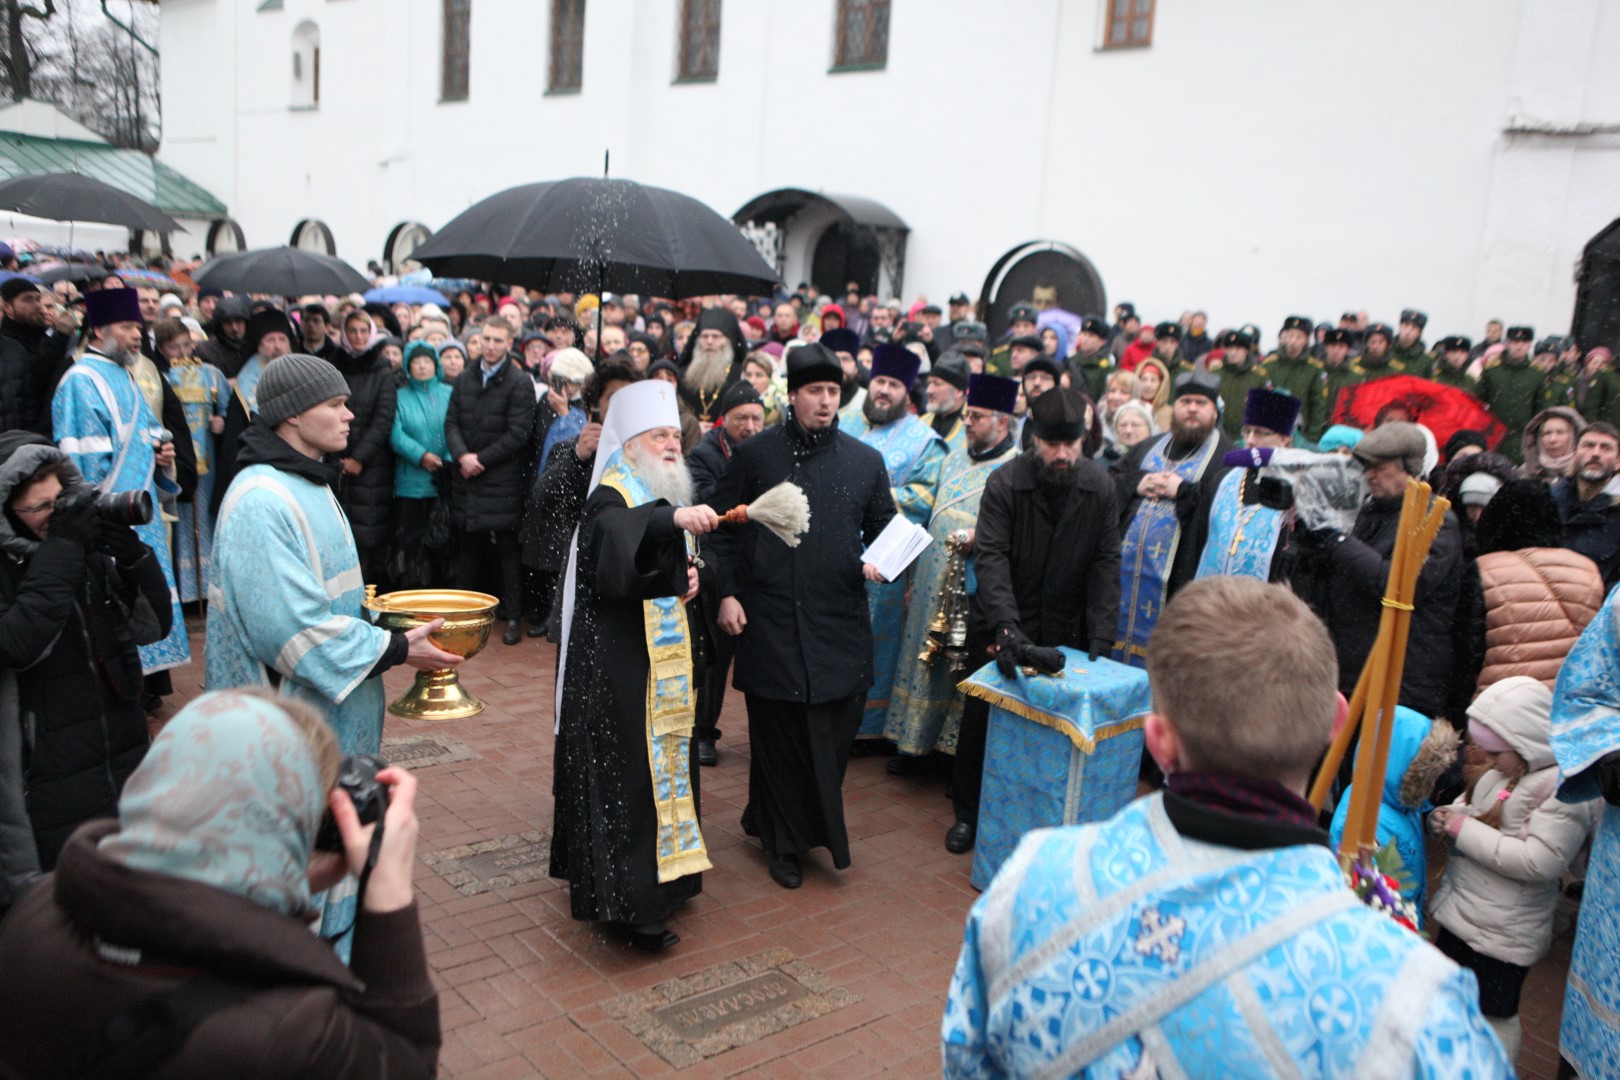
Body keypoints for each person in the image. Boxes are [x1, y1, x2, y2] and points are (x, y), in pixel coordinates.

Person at [942, 575, 1508, 1078]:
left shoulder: (1029, 880)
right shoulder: (1418, 1005)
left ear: (1157, 741)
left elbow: (966, 1060)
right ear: (1337, 723)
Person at [0, 690, 441, 1077]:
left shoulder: (33, 915)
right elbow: (403, 1064)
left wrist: (282, 873)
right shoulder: (291, 1031)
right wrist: (389, 892)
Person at [205, 353, 460, 949]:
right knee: (296, 875)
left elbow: (330, 601)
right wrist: (396, 648)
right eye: (336, 404)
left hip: (331, 726)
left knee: (336, 862)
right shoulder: (263, 499)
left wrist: (379, 620)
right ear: (293, 416)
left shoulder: (307, 479)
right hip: (287, 731)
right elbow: (292, 633)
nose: (352, 414)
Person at [705, 342, 895, 890]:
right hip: (770, 619)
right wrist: (727, 595)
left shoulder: (865, 461)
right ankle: (783, 845)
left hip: (838, 621)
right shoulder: (755, 455)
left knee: (832, 733)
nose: (826, 401)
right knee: (780, 736)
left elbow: (887, 527)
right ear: (792, 395)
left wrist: (886, 562)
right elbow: (721, 533)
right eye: (815, 391)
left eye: (834, 392)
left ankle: (777, 822)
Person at [550, 380, 717, 951]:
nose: (671, 444)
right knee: (630, 778)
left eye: (675, 434)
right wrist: (670, 526)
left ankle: (669, 885)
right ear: (628, 445)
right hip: (618, 670)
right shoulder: (612, 495)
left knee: (665, 773)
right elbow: (615, 542)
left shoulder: (663, 489)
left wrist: (692, 573)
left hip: (661, 667)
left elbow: (673, 564)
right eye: (658, 435)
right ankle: (632, 907)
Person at [943, 387, 1122, 855]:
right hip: (1003, 620)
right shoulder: (1006, 482)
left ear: (1084, 442)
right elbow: (991, 556)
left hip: (1066, 627)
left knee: (1049, 729)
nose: (1061, 455)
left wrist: (1102, 636)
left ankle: (1035, 820)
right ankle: (968, 815)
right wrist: (1006, 626)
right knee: (983, 722)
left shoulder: (1100, 487)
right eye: (1051, 444)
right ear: (1034, 439)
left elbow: (1106, 562)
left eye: (1071, 445)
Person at [0, 433, 170, 903]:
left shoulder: (82, 554)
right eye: (40, 509)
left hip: (123, 756)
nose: (56, 516)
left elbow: (153, 626)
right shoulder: (35, 561)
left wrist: (132, 553)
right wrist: (64, 549)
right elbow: (18, 642)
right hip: (48, 781)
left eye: (62, 502)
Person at [1430, 676, 1600, 1064]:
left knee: (1494, 1016)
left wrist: (1463, 829)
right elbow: (1476, 813)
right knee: (1449, 999)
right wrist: (1449, 817)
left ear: (1525, 742)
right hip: (1464, 915)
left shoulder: (1561, 793)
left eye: (1496, 752)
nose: (1488, 761)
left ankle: (1492, 1069)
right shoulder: (1502, 775)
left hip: (1505, 935)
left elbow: (1539, 861)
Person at [884, 374, 1022, 780]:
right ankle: (914, 745)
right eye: (967, 415)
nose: (968, 423)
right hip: (929, 578)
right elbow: (927, 516)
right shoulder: (953, 457)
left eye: (976, 416)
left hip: (973, 585)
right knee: (919, 659)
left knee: (955, 665)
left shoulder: (1014, 469)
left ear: (1002, 421)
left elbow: (1016, 533)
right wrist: (909, 580)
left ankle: (948, 755)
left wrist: (983, 538)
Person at [51, 289, 190, 690]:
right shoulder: (81, 380)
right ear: (98, 329)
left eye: (138, 327)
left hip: (138, 511)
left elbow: (148, 430)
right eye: (128, 326)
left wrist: (162, 451)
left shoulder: (124, 373)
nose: (137, 335)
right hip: (113, 517)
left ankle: (147, 690)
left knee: (146, 599)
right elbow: (81, 461)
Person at [1292, 422, 1467, 721]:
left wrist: (1337, 539)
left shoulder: (1436, 519)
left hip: (1400, 681)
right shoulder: (1366, 511)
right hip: (1350, 673)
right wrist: (1308, 543)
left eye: (1379, 466)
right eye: (1365, 466)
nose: (1369, 474)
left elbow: (1398, 585)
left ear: (1408, 468)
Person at [838, 343, 947, 737]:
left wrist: (869, 493)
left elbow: (925, 497)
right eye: (879, 382)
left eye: (894, 385)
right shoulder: (844, 420)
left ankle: (866, 727)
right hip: (835, 553)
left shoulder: (924, 440)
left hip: (884, 557)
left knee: (874, 642)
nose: (883, 390)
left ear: (907, 393)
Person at [1112, 372, 1232, 667]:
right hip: (1123, 583)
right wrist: (1138, 483)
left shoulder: (1228, 457)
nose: (1192, 408)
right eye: (1185, 401)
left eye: (1200, 403)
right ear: (1174, 406)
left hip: (1180, 580)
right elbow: (1111, 480)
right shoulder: (1147, 447)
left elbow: (1226, 512)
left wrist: (1184, 491)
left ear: (1214, 411)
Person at [521, 361, 641, 641]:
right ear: (592, 407)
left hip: (628, 568)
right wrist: (578, 456)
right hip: (582, 568)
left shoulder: (645, 454)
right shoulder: (571, 448)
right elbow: (542, 497)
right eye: (613, 398)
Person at [687, 380, 766, 766]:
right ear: (724, 420)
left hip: (759, 566)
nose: (750, 426)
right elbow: (708, 507)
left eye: (757, 418)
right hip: (717, 562)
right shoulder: (703, 455)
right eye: (741, 419)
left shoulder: (769, 449)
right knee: (715, 656)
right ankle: (703, 733)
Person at [446, 316, 537, 645]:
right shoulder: (465, 378)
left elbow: (518, 434)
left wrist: (480, 460)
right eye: (486, 338)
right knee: (468, 549)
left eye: (498, 340)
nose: (490, 345)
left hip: (501, 480)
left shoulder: (519, 381)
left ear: (510, 344)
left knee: (508, 552)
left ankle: (513, 617)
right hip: (468, 478)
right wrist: (462, 456)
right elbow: (451, 421)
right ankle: (461, 616)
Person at [1327, 705, 1458, 922]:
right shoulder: (1361, 818)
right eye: (1428, 774)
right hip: (1388, 925)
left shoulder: (1401, 802)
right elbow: (1369, 893)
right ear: (1406, 769)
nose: (1433, 784)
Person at [1472, 478, 1602, 692]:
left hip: (1502, 702)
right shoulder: (1587, 569)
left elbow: (1470, 648)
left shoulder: (1484, 569)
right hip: (1567, 701)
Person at [156, 317, 229, 604]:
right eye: (175, 348)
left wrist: (221, 418)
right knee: (184, 519)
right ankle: (188, 589)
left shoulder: (211, 374)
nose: (183, 352)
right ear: (162, 349)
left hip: (209, 455)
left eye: (187, 345)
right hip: (180, 456)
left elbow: (225, 405)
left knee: (209, 515)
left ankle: (211, 587)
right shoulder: (161, 378)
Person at [1196, 388, 1301, 581]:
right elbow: (1199, 541)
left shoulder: (1299, 490)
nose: (1251, 440)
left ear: (1285, 439)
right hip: (1211, 597)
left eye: (1261, 433)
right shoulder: (1224, 480)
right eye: (1248, 431)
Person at [330, 311, 398, 591]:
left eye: (362, 331)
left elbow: (384, 418)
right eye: (352, 331)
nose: (358, 337)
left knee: (369, 537)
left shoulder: (382, 369)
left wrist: (359, 458)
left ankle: (368, 598)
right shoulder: (334, 365)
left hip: (372, 466)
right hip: (336, 457)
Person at [390, 341, 455, 590]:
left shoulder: (449, 393)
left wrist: (447, 458)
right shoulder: (400, 396)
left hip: (444, 480)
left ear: (435, 364)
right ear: (408, 366)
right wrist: (421, 455)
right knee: (413, 542)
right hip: (412, 482)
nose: (421, 365)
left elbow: (459, 426)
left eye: (427, 361)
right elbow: (395, 434)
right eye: (416, 361)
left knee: (443, 543)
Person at [0, 278, 73, 435]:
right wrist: (60, 336)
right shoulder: (11, 345)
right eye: (28, 299)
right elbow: (40, 377)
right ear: (8, 308)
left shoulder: (40, 336)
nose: (38, 305)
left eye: (38, 299)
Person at [1552, 421, 1620, 590]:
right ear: (1574, 454)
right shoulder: (1546, 502)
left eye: (1606, 448)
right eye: (1588, 446)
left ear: (1618, 461)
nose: (1596, 453)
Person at [1478, 326, 1544, 463]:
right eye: (1515, 342)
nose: (1519, 347)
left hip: (1522, 437)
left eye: (1524, 343)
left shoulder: (1536, 373)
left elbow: (1540, 409)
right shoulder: (1493, 370)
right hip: (1494, 434)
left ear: (1530, 345)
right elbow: (1479, 401)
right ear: (1507, 343)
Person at [677, 307, 747, 425]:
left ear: (728, 341)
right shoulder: (683, 374)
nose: (709, 341)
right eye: (704, 336)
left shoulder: (739, 373)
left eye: (716, 336)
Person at [1519, 405, 1584, 484]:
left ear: (1574, 437)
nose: (1552, 440)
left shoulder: (1586, 473)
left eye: (1560, 432)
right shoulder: (1525, 473)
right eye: (1547, 433)